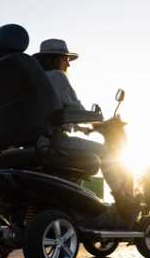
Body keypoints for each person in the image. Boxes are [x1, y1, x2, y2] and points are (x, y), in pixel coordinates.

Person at [33, 39, 138, 226]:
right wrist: (97, 120)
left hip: (34, 141)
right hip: (55, 141)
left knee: (85, 161)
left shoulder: (34, 81)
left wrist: (80, 128)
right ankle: (124, 200)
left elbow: (53, 115)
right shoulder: (57, 77)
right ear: (57, 59)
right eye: (66, 59)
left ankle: (79, 209)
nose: (68, 64)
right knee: (106, 153)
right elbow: (75, 108)